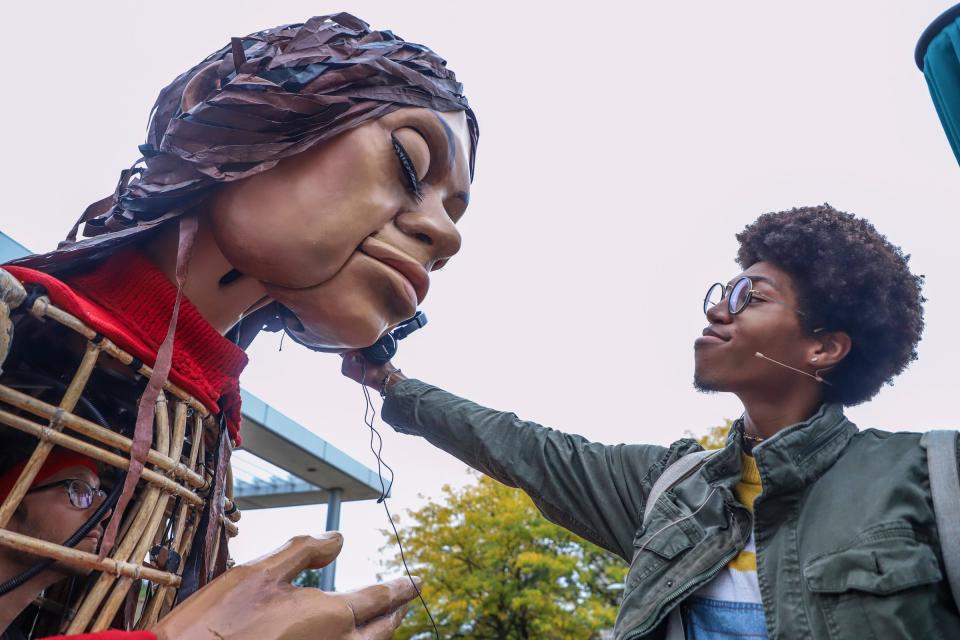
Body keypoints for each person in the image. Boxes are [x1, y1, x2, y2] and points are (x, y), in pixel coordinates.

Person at [1, 11, 476, 639]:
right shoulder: (17, 326)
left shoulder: (206, 419)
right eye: (409, 163)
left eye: (454, 209)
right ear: (214, 107)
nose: (444, 235)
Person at [344, 203, 960, 639]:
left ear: (824, 347)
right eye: (724, 291)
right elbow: (525, 447)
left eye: (753, 297)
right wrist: (392, 385)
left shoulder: (933, 477)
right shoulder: (669, 488)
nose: (719, 309)